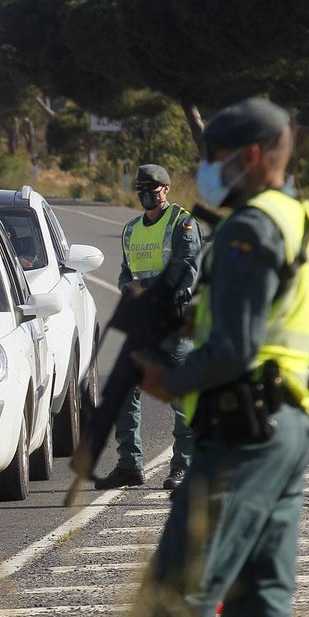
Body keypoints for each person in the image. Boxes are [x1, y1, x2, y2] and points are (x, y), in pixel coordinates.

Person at [130, 98, 309, 617]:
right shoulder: (308, 222)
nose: (207, 171)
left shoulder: (249, 227)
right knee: (258, 611)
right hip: (287, 426)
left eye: (214, 158)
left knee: (169, 614)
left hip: (243, 435)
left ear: (249, 155)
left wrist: (168, 380)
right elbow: (277, 322)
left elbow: (237, 350)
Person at [95, 164, 202, 491]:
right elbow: (126, 275)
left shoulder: (182, 224)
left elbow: (186, 276)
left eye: (153, 189)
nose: (147, 194)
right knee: (124, 395)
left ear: (166, 190)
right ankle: (130, 465)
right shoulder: (130, 230)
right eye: (141, 189)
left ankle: (183, 468)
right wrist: (131, 286)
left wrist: (146, 286)